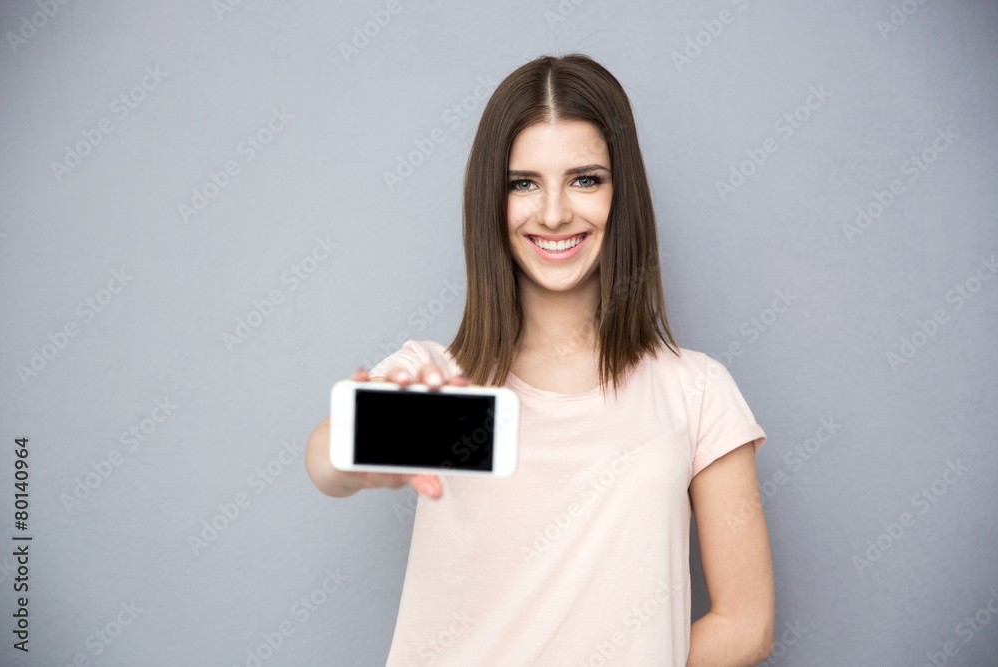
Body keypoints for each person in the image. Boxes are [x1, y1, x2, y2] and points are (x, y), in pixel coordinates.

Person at [306, 53, 775, 666]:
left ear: (621, 192)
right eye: (522, 183)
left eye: (585, 179)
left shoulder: (696, 390)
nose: (553, 213)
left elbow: (747, 623)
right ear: (490, 201)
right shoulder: (444, 380)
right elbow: (326, 463)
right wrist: (361, 455)